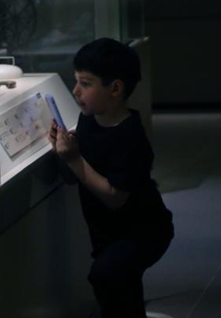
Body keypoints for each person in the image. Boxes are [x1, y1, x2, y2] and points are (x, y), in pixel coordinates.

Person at [48, 38, 173, 318]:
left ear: (115, 88)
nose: (75, 90)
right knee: (119, 287)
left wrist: (73, 158)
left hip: (144, 231)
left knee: (107, 276)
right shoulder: (89, 121)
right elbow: (74, 178)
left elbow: (115, 197)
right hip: (109, 233)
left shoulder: (131, 137)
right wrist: (64, 153)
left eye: (86, 83)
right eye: (76, 81)